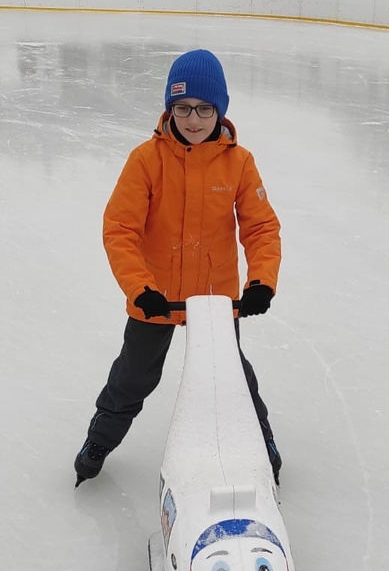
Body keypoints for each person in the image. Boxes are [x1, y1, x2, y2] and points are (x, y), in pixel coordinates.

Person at [74, 49, 282, 488]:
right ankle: (98, 441)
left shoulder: (238, 162)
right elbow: (120, 229)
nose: (193, 120)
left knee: (234, 382)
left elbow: (261, 228)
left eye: (204, 109)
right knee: (131, 379)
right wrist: (140, 289)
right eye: (183, 108)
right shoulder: (146, 160)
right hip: (157, 298)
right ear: (170, 108)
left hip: (215, 299)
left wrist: (261, 282)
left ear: (219, 110)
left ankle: (263, 444)